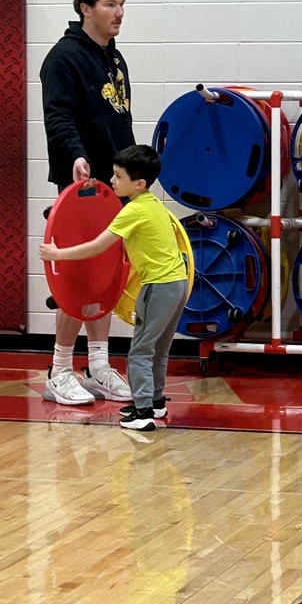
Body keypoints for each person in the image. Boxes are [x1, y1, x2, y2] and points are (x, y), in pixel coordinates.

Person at [40, 145, 188, 432]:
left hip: (158, 287)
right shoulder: (154, 204)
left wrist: (57, 255)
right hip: (178, 284)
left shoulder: (131, 211)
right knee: (159, 349)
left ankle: (144, 412)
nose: (111, 181)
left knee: (141, 351)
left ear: (139, 183)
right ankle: (156, 403)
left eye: (118, 177)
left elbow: (98, 247)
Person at [39, 0, 136, 405]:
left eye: (121, 4)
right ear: (85, 8)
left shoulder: (115, 59)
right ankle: (58, 369)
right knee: (78, 276)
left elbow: (120, 123)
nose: (119, 13)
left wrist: (135, 173)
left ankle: (98, 365)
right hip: (81, 185)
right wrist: (75, 154)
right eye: (110, 5)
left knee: (107, 274)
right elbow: (58, 117)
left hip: (117, 186)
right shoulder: (62, 59)